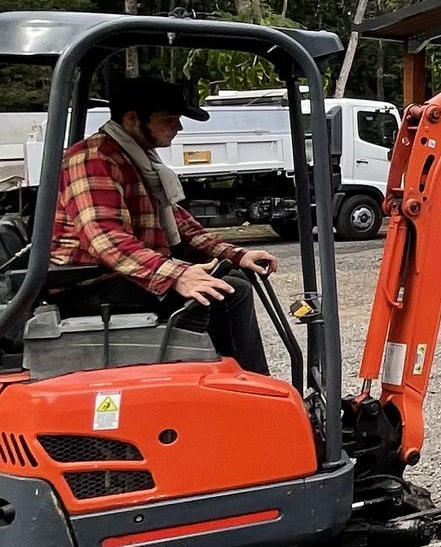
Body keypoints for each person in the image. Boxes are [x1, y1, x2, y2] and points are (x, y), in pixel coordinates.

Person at [49, 75, 276, 375]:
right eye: (169, 119)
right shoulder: (93, 159)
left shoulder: (138, 159)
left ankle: (233, 388)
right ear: (132, 119)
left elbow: (179, 223)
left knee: (232, 276)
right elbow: (106, 238)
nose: (178, 127)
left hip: (117, 276)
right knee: (228, 293)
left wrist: (235, 255)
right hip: (88, 286)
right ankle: (251, 396)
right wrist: (176, 275)